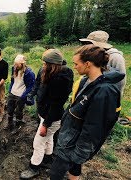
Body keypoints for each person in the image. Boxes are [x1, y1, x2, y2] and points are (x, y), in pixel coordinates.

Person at [49, 44, 124, 180]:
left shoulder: (104, 92)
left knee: (55, 174)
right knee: (72, 168)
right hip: (70, 137)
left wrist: (79, 154)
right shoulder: (86, 81)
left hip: (74, 144)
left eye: (76, 63)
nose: (75, 67)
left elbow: (95, 127)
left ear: (88, 64)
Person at [20, 49, 74, 179]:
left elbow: (56, 104)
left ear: (53, 65)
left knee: (38, 142)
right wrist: (32, 95)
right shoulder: (48, 71)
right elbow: (38, 84)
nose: (42, 66)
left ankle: (34, 168)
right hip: (45, 112)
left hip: (52, 117)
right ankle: (48, 158)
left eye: (45, 64)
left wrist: (45, 124)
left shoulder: (61, 79)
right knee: (48, 138)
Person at [79, 30, 126, 97]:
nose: (87, 45)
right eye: (87, 43)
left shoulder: (115, 57)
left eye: (90, 43)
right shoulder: (92, 55)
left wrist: (115, 99)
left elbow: (120, 81)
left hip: (107, 97)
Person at [6, 54, 35, 130]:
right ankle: (10, 124)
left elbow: (30, 87)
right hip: (12, 93)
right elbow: (13, 80)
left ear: (22, 64)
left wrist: (23, 96)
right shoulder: (13, 69)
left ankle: (18, 126)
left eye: (17, 64)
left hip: (21, 95)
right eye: (14, 64)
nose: (15, 66)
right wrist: (10, 90)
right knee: (9, 109)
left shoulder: (29, 73)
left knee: (19, 111)